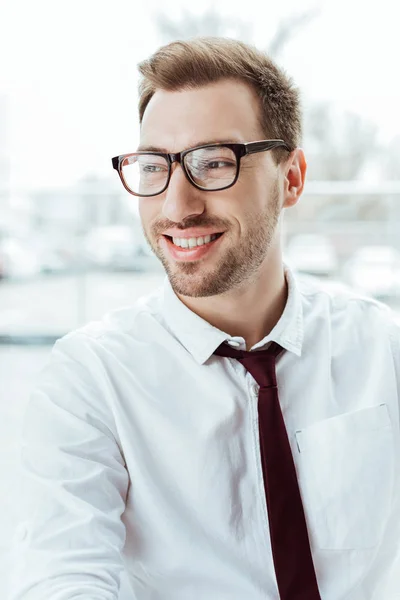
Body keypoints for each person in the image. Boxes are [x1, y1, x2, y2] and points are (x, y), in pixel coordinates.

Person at [10, 37, 400, 600]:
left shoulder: (382, 350)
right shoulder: (90, 380)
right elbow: (61, 579)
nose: (176, 205)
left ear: (291, 178)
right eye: (154, 167)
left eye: (214, 163)